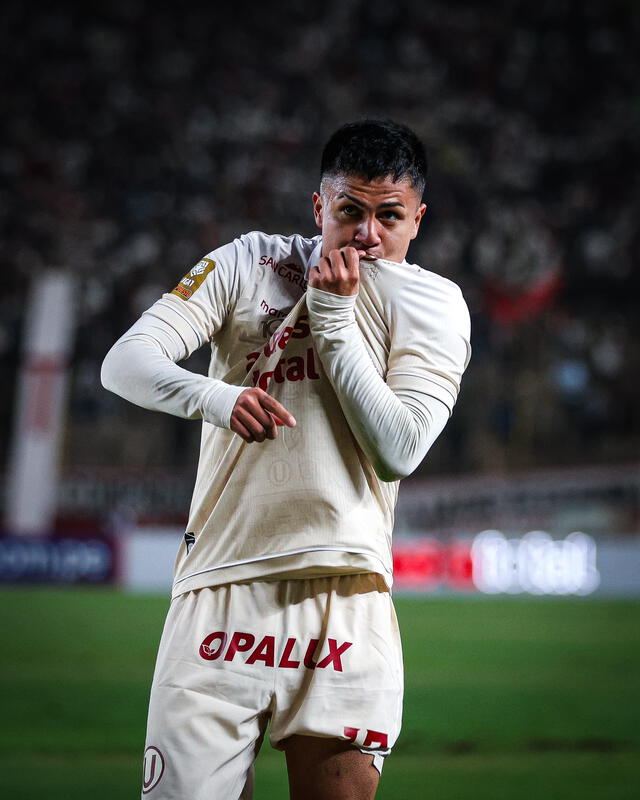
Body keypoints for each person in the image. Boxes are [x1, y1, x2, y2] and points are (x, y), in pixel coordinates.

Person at [101, 118, 471, 800]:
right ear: (317, 206)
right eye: (349, 212)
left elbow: (401, 448)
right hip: (220, 587)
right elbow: (124, 363)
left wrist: (330, 319)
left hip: (345, 591)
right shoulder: (253, 262)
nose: (366, 233)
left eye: (389, 216)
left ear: (418, 219)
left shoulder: (434, 303)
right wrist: (215, 398)